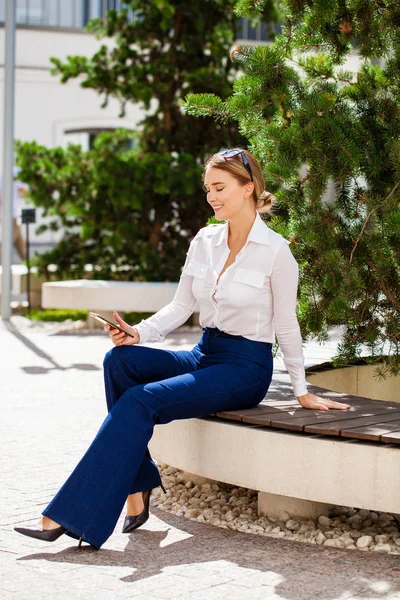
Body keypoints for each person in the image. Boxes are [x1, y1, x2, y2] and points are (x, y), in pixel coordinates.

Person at [14, 148, 350, 549]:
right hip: (204, 353)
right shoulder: (205, 240)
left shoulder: (277, 252)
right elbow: (181, 306)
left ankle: (67, 515)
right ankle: (138, 490)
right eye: (208, 188)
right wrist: (137, 333)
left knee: (141, 400)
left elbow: (286, 325)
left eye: (220, 187)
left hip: (245, 368)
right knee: (120, 361)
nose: (211, 196)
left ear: (249, 188)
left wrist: (301, 388)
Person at [0, 166, 28, 262]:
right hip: (14, 212)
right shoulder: (18, 172)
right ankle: (27, 262)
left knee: (19, 241)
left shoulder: (4, 171)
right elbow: (23, 192)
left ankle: (27, 263)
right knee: (8, 241)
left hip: (7, 212)